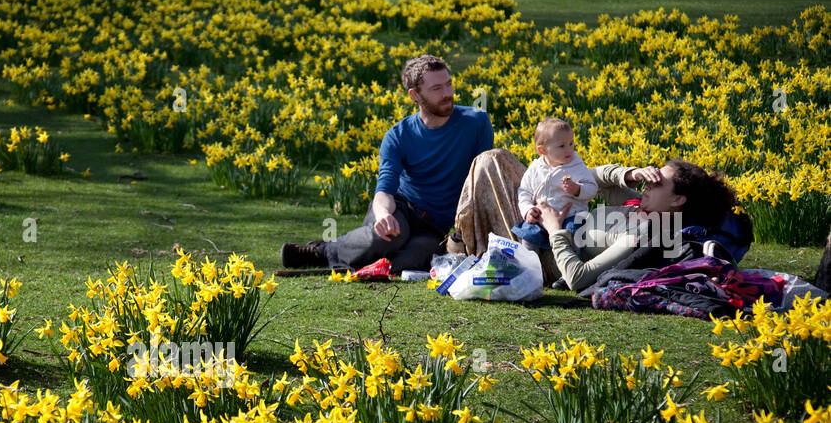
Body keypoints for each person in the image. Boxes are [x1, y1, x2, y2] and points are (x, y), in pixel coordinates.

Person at [280, 55, 492, 272]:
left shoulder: (477, 123)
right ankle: (324, 251)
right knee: (390, 236)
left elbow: (481, 182)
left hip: (434, 230)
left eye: (449, 84)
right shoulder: (398, 136)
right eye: (437, 88)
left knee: (407, 262)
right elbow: (385, 190)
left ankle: (350, 259)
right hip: (402, 209)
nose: (447, 94)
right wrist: (383, 215)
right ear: (415, 95)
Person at [538, 159, 751, 293]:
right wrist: (629, 174)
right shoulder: (639, 203)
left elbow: (577, 278)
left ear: (677, 200)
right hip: (537, 221)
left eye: (657, 182)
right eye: (651, 177)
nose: (648, 184)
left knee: (502, 159)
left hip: (539, 256)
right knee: (504, 160)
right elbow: (591, 178)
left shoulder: (643, 235)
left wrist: (554, 230)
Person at [512, 117, 597, 250]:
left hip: (571, 215)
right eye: (562, 146)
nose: (569, 150)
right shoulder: (535, 168)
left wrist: (578, 189)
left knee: (573, 234)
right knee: (528, 234)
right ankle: (530, 263)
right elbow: (524, 191)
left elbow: (592, 188)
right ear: (543, 150)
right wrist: (528, 209)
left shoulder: (576, 165)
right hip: (542, 216)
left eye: (571, 143)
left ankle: (572, 266)